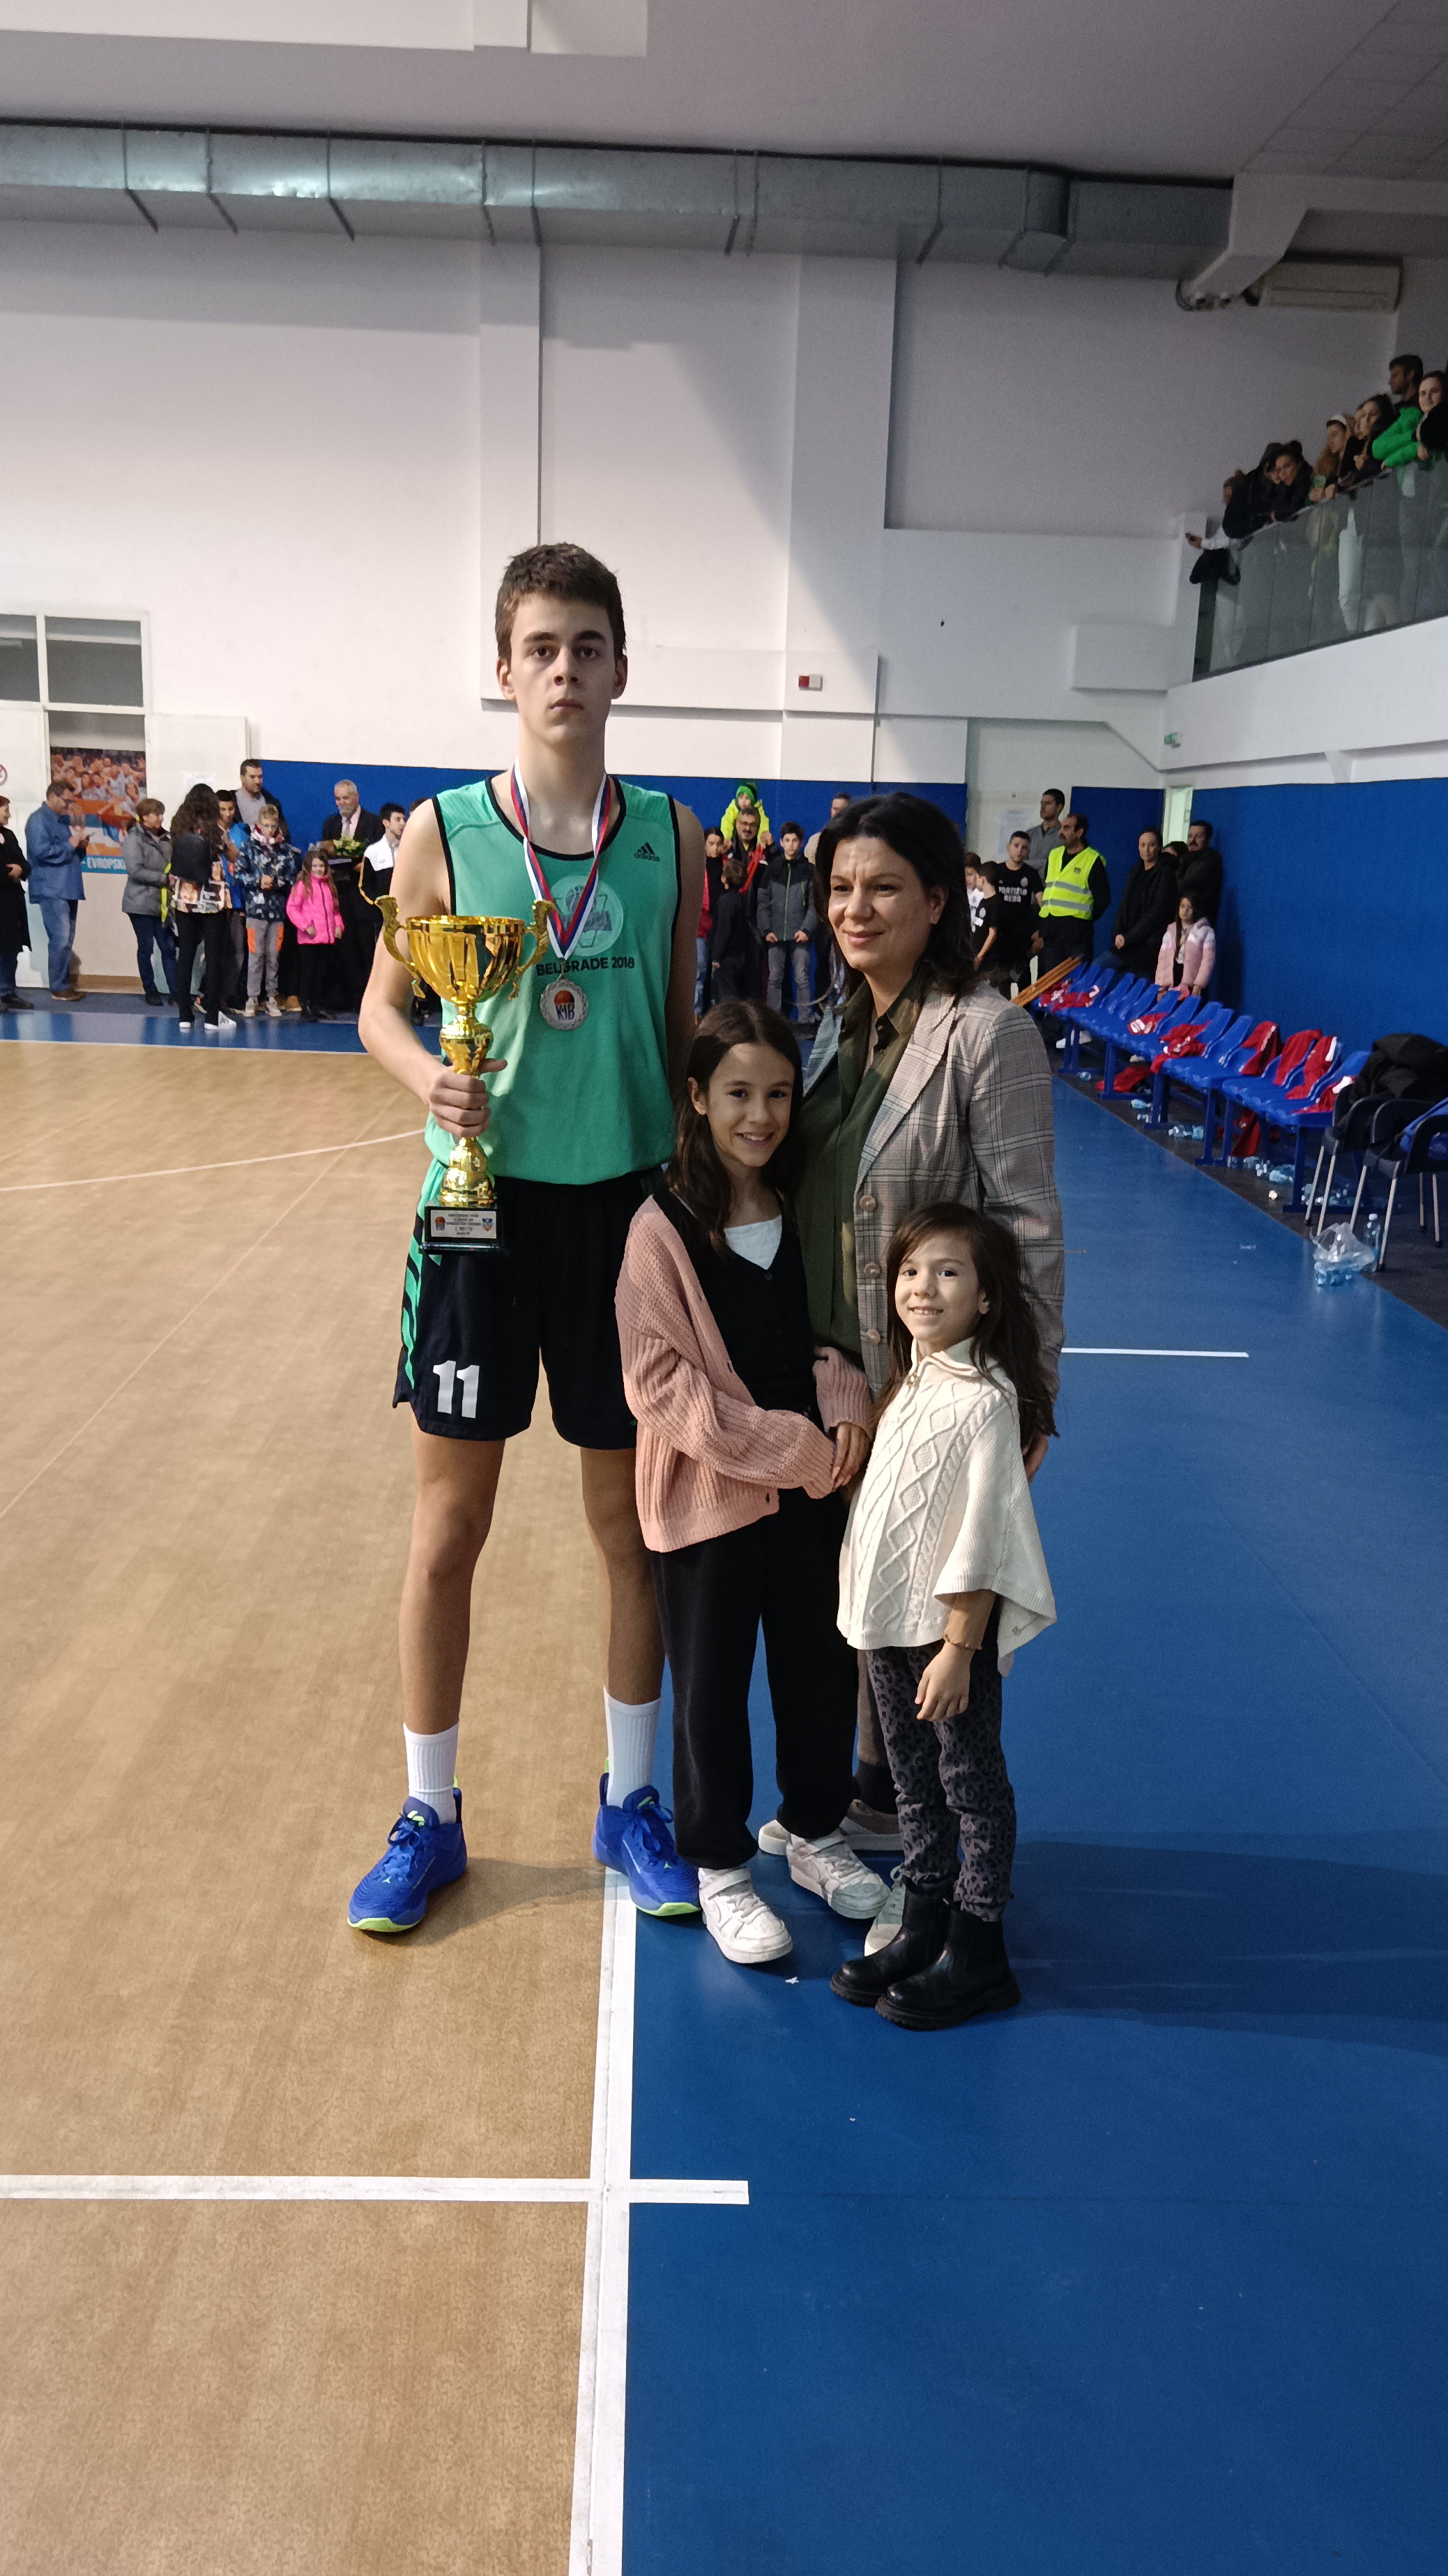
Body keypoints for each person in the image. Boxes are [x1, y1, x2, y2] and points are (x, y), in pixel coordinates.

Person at [347, 540, 704, 1934]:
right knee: (450, 1528)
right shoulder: (442, 831)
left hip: (623, 1216)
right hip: (477, 1211)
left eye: (586, 647)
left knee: (631, 1529)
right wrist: (425, 1082)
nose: (564, 671)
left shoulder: (670, 835)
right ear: (504, 671)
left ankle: (631, 1801)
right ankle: (428, 1815)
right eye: (540, 648)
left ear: (620, 668)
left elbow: (678, 1025)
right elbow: (381, 1008)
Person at [787, 792, 1063, 1847]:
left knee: (930, 1616)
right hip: (824, 1372)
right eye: (840, 887)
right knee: (865, 1597)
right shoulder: (838, 1021)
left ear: (938, 899)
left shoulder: (987, 1033)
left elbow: (1028, 1228)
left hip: (925, 1387)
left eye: (884, 887)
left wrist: (1030, 1394)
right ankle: (876, 1795)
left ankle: (951, 1852)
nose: (854, 908)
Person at [616, 1000, 885, 1965]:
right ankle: (720, 1864)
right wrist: (794, 1450)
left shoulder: (801, 1205)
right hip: (710, 1505)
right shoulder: (661, 1227)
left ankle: (811, 1832)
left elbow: (828, 1335)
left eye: (777, 1094)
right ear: (697, 1097)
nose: (760, 1115)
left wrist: (844, 1401)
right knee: (711, 1689)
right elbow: (660, 1384)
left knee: (819, 1669)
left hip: (811, 1499)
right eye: (737, 1093)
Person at [830, 1202, 1055, 2027]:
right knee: (911, 1782)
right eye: (910, 1270)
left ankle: (979, 1945)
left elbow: (985, 1535)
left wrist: (960, 1646)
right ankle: (923, 1921)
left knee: (969, 1782)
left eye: (948, 1271)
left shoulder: (986, 1400)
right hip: (889, 1630)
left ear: (986, 1296)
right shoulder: (913, 1379)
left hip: (945, 1637)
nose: (923, 1287)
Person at [169, 786, 235, 1033]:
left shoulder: (178, 827)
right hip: (211, 897)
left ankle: (184, 1016)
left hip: (185, 897)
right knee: (214, 956)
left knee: (186, 954)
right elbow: (233, 856)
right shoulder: (214, 829)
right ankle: (212, 1018)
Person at [236, 800, 299, 1016]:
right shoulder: (248, 847)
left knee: (274, 955)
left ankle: (272, 997)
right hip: (255, 911)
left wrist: (276, 882)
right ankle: (252, 998)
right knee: (255, 955)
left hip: (277, 911)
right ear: (259, 824)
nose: (270, 829)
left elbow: (292, 878)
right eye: (266, 825)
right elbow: (238, 875)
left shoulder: (286, 850)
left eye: (273, 825)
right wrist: (258, 880)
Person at [25, 779, 87, 999]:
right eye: (66, 801)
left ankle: (62, 984)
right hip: (51, 888)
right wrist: (70, 845)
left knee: (67, 940)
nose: (69, 806)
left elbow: (69, 854)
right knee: (60, 940)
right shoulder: (38, 820)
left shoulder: (63, 821)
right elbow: (41, 852)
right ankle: (58, 987)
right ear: (53, 796)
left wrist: (80, 847)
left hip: (68, 886)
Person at [1036, 808, 1111, 977]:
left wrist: (1083, 917)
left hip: (1076, 933)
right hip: (1051, 930)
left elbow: (1103, 899)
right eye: (1062, 827)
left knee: (1074, 981)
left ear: (1079, 833)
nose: (1060, 832)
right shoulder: (1054, 855)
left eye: (1067, 828)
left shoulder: (1092, 860)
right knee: (1047, 982)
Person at [756, 820, 818, 1023]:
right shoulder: (772, 869)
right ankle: (773, 1021)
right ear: (781, 843)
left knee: (802, 977)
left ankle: (804, 1020)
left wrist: (806, 929)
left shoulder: (809, 871)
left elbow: (815, 904)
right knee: (774, 978)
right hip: (775, 934)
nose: (791, 845)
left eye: (795, 841)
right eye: (787, 840)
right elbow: (762, 901)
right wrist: (766, 929)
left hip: (801, 934)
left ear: (801, 843)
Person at [119, 798, 176, 1005]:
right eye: (157, 814)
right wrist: (163, 879)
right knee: (146, 948)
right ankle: (150, 990)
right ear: (145, 817)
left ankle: (176, 992)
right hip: (140, 903)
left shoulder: (167, 838)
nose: (161, 818)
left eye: (162, 813)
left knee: (168, 948)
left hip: (163, 904)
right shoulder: (134, 839)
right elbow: (135, 870)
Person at [974, 830, 1041, 994]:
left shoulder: (1031, 874)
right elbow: (987, 899)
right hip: (1000, 940)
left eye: (1024, 848)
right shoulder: (997, 871)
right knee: (999, 988)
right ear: (1008, 847)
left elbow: (1042, 902)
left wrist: (1042, 929)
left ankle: (1025, 1010)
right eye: (1016, 846)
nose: (1019, 851)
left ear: (1028, 851)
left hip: (1021, 939)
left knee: (1024, 986)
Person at [1111, 827, 1179, 980]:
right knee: (1099, 968)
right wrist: (1117, 934)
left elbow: (1157, 913)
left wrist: (1129, 938)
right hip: (1125, 942)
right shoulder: (1136, 871)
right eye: (1142, 845)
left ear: (1159, 847)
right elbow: (1124, 906)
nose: (1146, 850)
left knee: (1131, 984)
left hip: (1147, 945)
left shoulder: (1166, 873)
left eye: (1151, 845)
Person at [285, 845, 343, 1019]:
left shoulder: (329, 887)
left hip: (326, 938)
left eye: (321, 866)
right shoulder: (302, 886)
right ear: (309, 867)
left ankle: (317, 1005)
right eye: (315, 866)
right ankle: (306, 1006)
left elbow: (335, 911)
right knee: (308, 973)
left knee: (321, 974)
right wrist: (305, 926)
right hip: (309, 938)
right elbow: (292, 909)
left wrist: (338, 926)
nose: (319, 869)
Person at [0, 795, 33, 1009]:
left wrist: (20, 869)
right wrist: (9, 874)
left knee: (10, 949)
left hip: (11, 903)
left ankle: (7, 992)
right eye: (5, 810)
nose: (9, 815)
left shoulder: (9, 835)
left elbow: (24, 863)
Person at [709, 855, 755, 1003]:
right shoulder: (741, 899)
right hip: (739, 955)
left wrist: (716, 956)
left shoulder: (726, 902)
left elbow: (723, 930)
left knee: (726, 996)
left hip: (727, 956)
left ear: (725, 878)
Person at [1154, 892, 1216, 999]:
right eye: (1182, 906)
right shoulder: (1171, 931)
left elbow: (1208, 961)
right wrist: (1160, 987)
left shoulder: (1205, 931)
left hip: (1192, 984)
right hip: (1172, 980)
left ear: (1196, 909)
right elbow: (1162, 961)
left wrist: (1199, 984)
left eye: (1190, 907)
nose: (1185, 911)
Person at [1177, 816, 1222, 927]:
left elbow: (1185, 884)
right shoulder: (1185, 859)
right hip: (1182, 922)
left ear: (1209, 840)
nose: (1192, 841)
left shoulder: (1210, 860)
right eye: (1190, 836)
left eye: (1198, 836)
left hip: (1199, 924)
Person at [362, 800, 406, 900]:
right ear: (386, 823)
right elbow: (366, 886)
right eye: (398, 819)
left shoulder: (410, 849)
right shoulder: (372, 852)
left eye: (404, 819)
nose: (403, 823)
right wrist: (382, 905)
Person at [236, 758, 289, 838]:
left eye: (260, 777)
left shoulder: (271, 801)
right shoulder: (233, 803)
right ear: (242, 778)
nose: (257, 781)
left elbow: (284, 831)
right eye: (252, 777)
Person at [1026, 789, 1065, 879]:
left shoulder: (1064, 837)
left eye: (1048, 803)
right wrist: (1043, 863)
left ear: (1059, 807)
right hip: (1027, 884)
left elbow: (1058, 864)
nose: (1043, 807)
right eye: (1042, 803)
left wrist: (1031, 864)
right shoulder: (1030, 834)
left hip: (1050, 885)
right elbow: (1019, 863)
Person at [720, 780, 771, 848]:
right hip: (736, 843)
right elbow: (727, 822)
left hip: (753, 843)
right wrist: (726, 837)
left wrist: (761, 840)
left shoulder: (758, 810)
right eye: (741, 797)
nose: (743, 801)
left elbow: (763, 825)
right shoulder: (733, 808)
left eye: (747, 798)